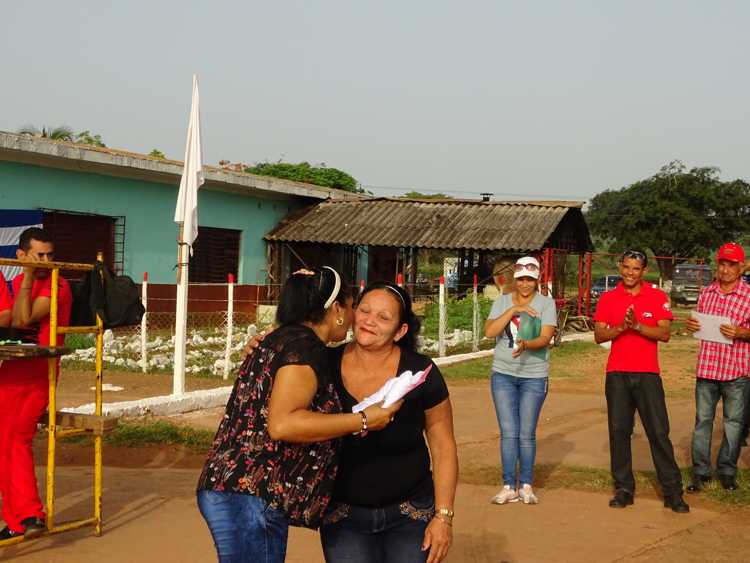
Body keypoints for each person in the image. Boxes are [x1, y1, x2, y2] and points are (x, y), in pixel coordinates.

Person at [196, 267, 400, 563]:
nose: (357, 318)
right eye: (355, 307)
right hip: (251, 493)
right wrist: (365, 419)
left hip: (236, 489)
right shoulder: (304, 348)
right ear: (337, 310)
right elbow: (283, 423)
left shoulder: (282, 340)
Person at [320, 282, 458, 563]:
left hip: (411, 513)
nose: (369, 321)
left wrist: (443, 517)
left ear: (400, 331)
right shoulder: (322, 365)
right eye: (364, 310)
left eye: (383, 317)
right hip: (342, 515)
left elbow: (443, 447)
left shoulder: (421, 373)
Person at [593, 250, 689, 513]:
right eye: (626, 267)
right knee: (619, 432)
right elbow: (599, 335)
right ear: (619, 267)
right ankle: (624, 489)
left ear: (644, 271)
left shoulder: (657, 296)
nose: (629, 273)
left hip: (647, 373)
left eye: (635, 269)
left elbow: (665, 332)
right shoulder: (609, 298)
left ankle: (672, 492)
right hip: (617, 374)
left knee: (658, 432)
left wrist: (637, 327)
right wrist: (621, 328)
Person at [0, 227, 72, 540]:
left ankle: (30, 514)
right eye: (39, 255)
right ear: (22, 255)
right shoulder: (15, 282)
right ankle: (15, 520)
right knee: (3, 444)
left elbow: (26, 318)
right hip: (13, 370)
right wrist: (24, 281)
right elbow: (14, 321)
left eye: (50, 255)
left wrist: (29, 276)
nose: (46, 260)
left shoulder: (59, 283)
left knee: (17, 439)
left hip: (39, 373)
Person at [483, 256, 557, 505]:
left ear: (536, 280)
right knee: (508, 432)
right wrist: (513, 310)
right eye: (521, 279)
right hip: (503, 373)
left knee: (526, 433)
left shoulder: (546, 304)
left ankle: (526, 484)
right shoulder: (502, 301)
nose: (525, 284)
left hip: (534, 375)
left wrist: (527, 344)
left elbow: (545, 337)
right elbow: (490, 331)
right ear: (515, 279)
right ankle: (508, 485)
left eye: (530, 279)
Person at [685, 243, 750, 492]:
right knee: (703, 421)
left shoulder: (748, 296)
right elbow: (698, 324)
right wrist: (692, 327)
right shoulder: (707, 293)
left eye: (731, 265)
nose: (725, 269)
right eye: (722, 263)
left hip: (736, 372)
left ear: (741, 267)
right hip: (707, 369)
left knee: (734, 423)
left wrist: (741, 332)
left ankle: (727, 471)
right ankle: (700, 472)